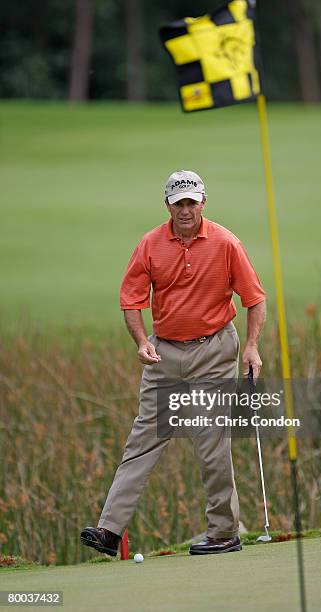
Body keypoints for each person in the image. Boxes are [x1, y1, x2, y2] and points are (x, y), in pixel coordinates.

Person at [81, 170, 266, 556]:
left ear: (203, 203)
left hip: (214, 350)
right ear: (167, 204)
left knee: (210, 442)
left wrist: (251, 346)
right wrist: (141, 340)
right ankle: (109, 531)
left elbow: (254, 298)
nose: (185, 209)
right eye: (178, 202)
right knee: (143, 439)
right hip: (164, 353)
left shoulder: (226, 243)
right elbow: (131, 300)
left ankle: (222, 531)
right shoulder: (150, 244)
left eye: (191, 202)